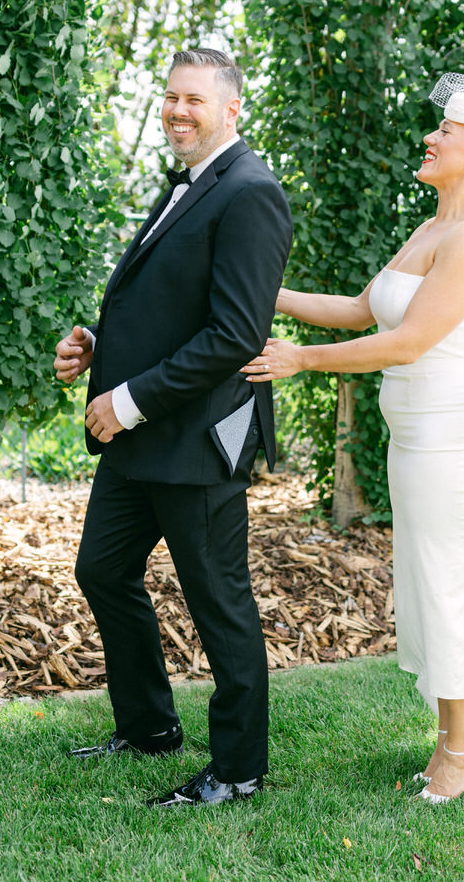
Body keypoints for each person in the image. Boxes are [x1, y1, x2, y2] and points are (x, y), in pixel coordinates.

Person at [242, 73, 464, 803]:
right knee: (427, 590)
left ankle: (463, 755)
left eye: (446, 135)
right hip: (415, 439)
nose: (430, 139)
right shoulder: (432, 226)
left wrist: (298, 360)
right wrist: (255, 292)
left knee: (451, 593)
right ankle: (450, 742)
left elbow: (405, 343)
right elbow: (360, 308)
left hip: (450, 443)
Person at [52, 48, 292, 808]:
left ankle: (239, 770)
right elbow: (169, 308)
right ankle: (151, 727)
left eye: (194, 99)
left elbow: (233, 333)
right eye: (169, 97)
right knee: (102, 571)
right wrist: (97, 343)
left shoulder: (250, 192)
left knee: (219, 602)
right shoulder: (188, 186)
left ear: (231, 110)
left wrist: (126, 401)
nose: (177, 110)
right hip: (140, 445)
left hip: (194, 443)